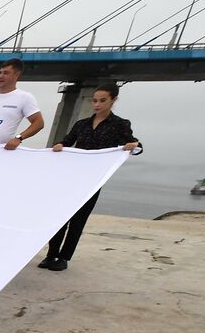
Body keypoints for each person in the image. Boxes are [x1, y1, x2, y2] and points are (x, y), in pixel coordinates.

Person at [42, 83, 143, 272]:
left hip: (94, 180)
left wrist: (134, 145)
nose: (97, 104)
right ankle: (51, 254)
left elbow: (135, 145)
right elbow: (67, 141)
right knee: (60, 216)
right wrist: (59, 145)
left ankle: (64, 258)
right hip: (73, 176)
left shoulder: (120, 125)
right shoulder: (82, 124)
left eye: (102, 101)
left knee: (78, 220)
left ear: (113, 100)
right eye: (95, 100)